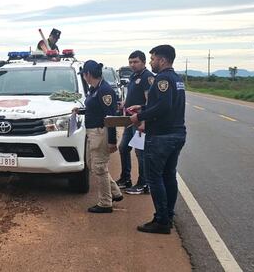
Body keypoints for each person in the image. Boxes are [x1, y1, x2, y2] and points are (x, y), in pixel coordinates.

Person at [128, 44, 186, 234]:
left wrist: (140, 117)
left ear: (162, 60)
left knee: (154, 178)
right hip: (176, 134)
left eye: (152, 58)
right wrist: (143, 108)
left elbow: (163, 107)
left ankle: (161, 220)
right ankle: (168, 215)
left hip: (162, 136)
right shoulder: (176, 79)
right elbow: (162, 105)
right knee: (169, 175)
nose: (151, 62)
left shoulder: (162, 79)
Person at [76, 60, 123, 213]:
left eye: (84, 74)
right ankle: (115, 192)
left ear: (88, 74)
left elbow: (110, 117)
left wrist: (111, 141)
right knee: (92, 164)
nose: (83, 77)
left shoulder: (104, 90)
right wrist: (80, 111)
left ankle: (105, 202)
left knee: (100, 167)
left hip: (100, 132)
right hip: (93, 132)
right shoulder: (94, 89)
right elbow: (94, 109)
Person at [117, 50, 155, 194]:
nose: (132, 64)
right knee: (123, 148)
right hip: (129, 119)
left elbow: (149, 101)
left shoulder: (147, 77)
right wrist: (124, 104)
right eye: (130, 62)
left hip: (140, 121)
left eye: (135, 62)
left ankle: (143, 183)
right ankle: (125, 178)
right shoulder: (134, 76)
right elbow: (132, 94)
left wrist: (144, 121)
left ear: (144, 62)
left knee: (140, 153)